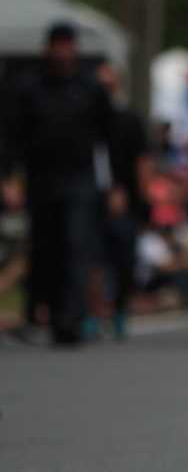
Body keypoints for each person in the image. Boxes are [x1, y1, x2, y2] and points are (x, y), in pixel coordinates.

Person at [0, 23, 114, 347]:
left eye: (68, 46)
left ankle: (71, 318)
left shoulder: (91, 88)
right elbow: (11, 137)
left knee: (76, 245)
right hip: (40, 178)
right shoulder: (29, 88)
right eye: (57, 46)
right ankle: (40, 311)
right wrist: (9, 177)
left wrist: (114, 184)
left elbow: (108, 138)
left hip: (80, 178)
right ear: (47, 49)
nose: (63, 53)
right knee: (45, 247)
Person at [97, 63, 152, 340]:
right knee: (91, 256)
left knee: (123, 259)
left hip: (127, 198)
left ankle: (119, 308)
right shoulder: (88, 118)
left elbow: (143, 161)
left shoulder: (129, 119)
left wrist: (143, 199)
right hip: (92, 197)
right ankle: (92, 313)